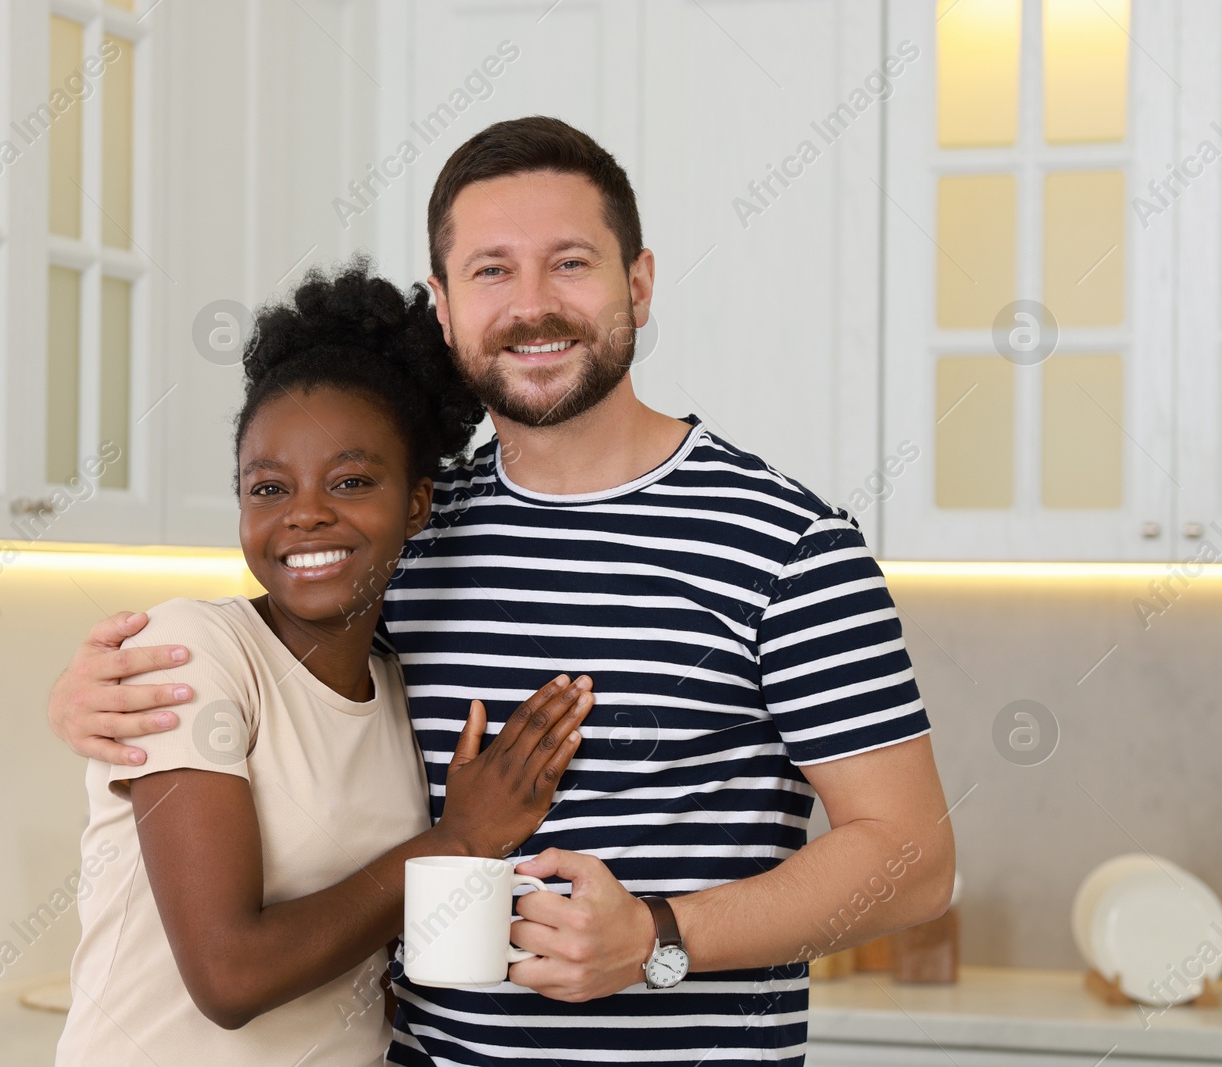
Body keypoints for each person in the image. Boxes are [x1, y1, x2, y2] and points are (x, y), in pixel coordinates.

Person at [50, 116, 956, 1066]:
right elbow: (280, 688)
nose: (533, 306)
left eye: (570, 263)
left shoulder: (786, 545)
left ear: (637, 285)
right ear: (443, 308)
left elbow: (912, 859)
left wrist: (659, 935)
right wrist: (90, 693)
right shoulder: (408, 531)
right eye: (491, 271)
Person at [54, 259, 599, 1066]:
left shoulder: (394, 693)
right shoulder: (195, 652)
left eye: (350, 480)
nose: (306, 513)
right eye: (267, 488)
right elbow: (229, 976)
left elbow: (365, 947)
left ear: (417, 501)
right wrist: (456, 842)